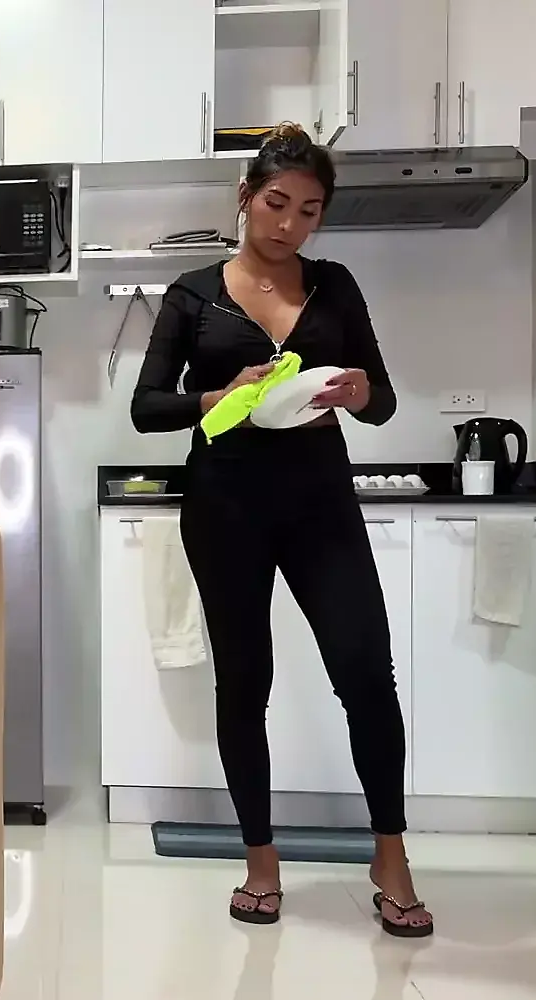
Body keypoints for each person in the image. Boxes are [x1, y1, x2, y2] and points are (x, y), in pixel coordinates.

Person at [129, 122, 432, 937]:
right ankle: (260, 862)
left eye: (308, 210)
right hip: (226, 499)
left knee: (365, 673)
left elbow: (382, 401)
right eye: (276, 203)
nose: (289, 223)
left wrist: (360, 393)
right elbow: (147, 406)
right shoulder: (193, 294)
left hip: (319, 497)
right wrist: (221, 395)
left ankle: (391, 856)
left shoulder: (336, 286)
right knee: (244, 683)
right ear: (245, 197)